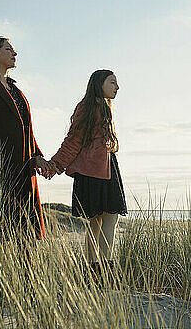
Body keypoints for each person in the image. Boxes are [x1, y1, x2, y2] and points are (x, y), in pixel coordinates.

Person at [0, 36, 53, 241]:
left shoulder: (16, 90)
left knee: (24, 232)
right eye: (9, 49)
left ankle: (23, 273)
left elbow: (27, 130)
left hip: (22, 168)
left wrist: (37, 155)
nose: (14, 53)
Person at [47, 69, 127, 271]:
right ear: (99, 84)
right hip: (92, 170)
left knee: (103, 219)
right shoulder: (87, 107)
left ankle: (96, 268)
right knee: (102, 219)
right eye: (112, 82)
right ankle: (101, 269)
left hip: (107, 167)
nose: (117, 87)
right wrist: (56, 164)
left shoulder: (105, 107)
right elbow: (73, 140)